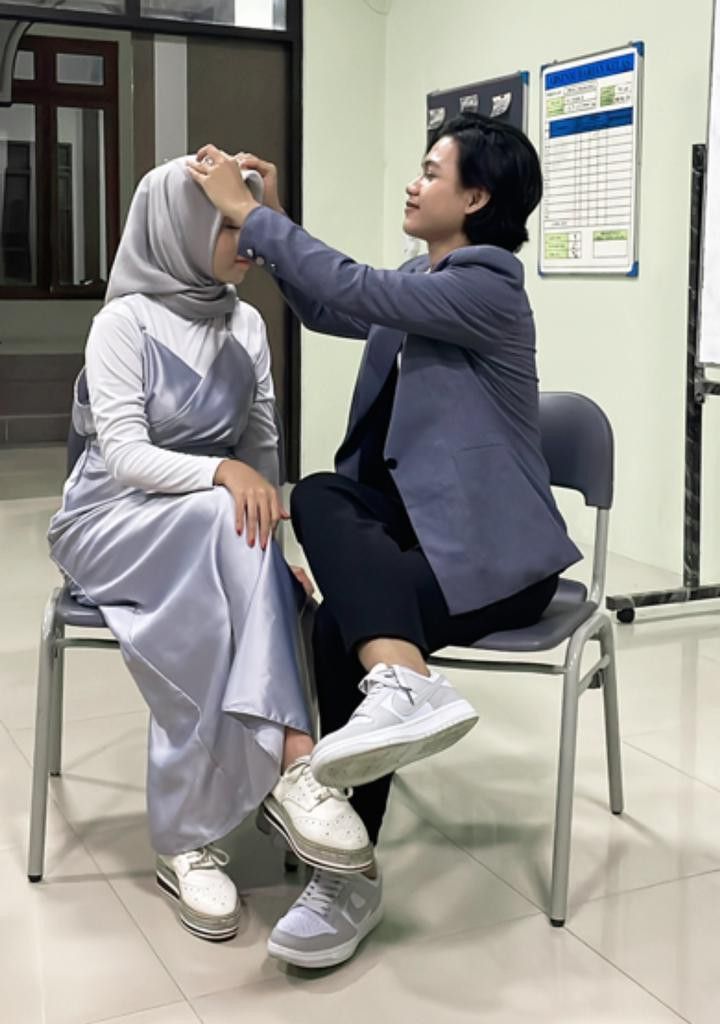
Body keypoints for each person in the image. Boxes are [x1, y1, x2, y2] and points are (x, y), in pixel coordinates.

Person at [188, 116, 582, 968]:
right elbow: (335, 301)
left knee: (336, 623)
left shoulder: (487, 287)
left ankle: (347, 876)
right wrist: (280, 211)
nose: (414, 182)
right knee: (328, 496)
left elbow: (359, 289)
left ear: (474, 198)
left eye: (431, 171)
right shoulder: (425, 276)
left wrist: (253, 218)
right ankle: (399, 688)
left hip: (499, 562)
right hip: (420, 541)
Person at [47, 155, 374, 944]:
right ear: (178, 228)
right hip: (110, 520)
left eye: (246, 221)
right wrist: (222, 474)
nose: (245, 240)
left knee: (241, 539)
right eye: (227, 222)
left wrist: (275, 550)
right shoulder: (122, 323)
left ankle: (193, 835)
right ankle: (295, 759)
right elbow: (124, 455)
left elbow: (262, 457)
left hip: (207, 522)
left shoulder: (246, 323)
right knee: (224, 518)